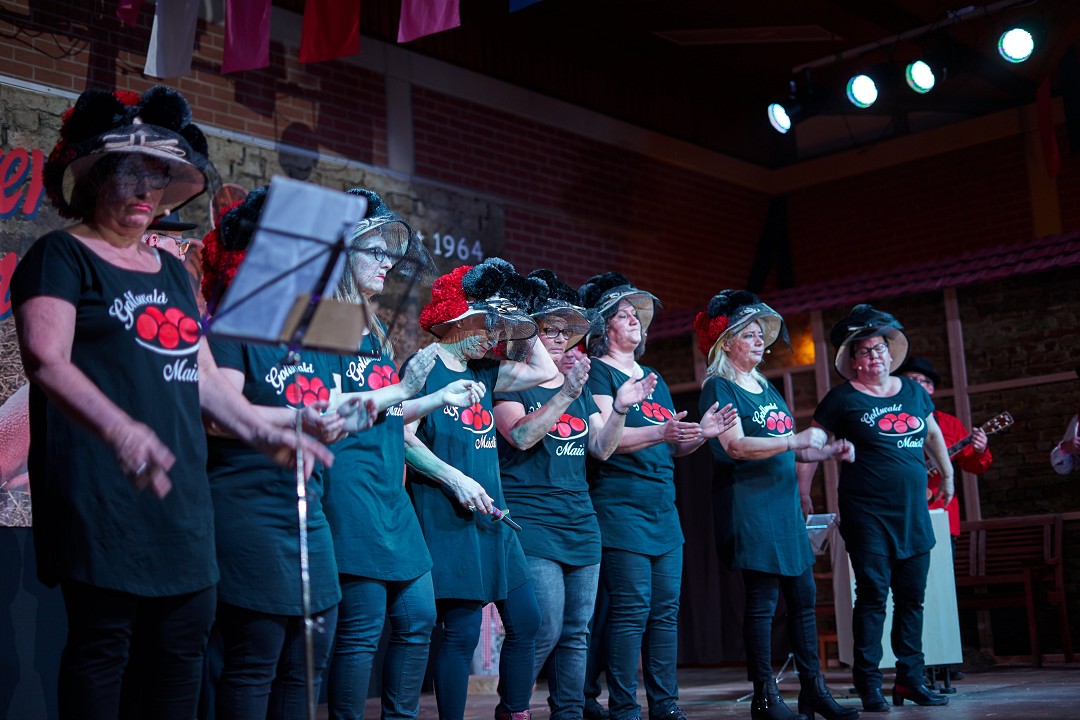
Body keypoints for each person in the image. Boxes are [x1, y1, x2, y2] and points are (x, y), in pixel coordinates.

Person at [11, 85, 331, 720]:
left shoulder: (173, 274)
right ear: (95, 177)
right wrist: (121, 429)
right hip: (102, 493)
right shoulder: (61, 256)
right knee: (103, 651)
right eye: (129, 173)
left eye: (157, 177)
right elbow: (47, 360)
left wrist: (266, 428)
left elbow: (204, 378)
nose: (144, 189)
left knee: (181, 652)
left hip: (182, 500)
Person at [199, 186, 374, 719]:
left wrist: (338, 422)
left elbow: (318, 414)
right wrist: (300, 420)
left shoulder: (310, 334)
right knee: (255, 660)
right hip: (247, 506)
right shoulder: (231, 325)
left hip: (305, 509)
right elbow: (217, 416)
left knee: (307, 661)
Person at [320, 188, 485, 720]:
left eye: (391, 254)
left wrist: (434, 397)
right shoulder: (325, 319)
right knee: (362, 627)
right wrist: (406, 387)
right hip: (349, 484)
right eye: (376, 251)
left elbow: (390, 409)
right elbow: (327, 407)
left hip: (390, 488)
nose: (387, 264)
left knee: (418, 617)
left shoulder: (371, 328)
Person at [493, 270, 657, 720]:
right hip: (533, 521)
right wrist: (565, 394)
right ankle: (513, 708)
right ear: (528, 333)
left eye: (566, 330)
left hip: (580, 523)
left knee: (577, 632)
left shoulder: (578, 387)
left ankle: (568, 711)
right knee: (544, 627)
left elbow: (601, 448)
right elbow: (522, 436)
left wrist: (620, 407)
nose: (560, 338)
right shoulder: (510, 384)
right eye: (549, 329)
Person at [694, 290, 859, 720]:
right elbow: (735, 446)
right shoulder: (719, 386)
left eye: (760, 336)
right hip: (751, 505)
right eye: (749, 335)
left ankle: (813, 690)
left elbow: (789, 445)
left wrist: (825, 451)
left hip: (783, 506)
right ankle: (764, 695)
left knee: (804, 598)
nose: (759, 342)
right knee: (763, 603)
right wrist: (793, 441)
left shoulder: (765, 385)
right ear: (727, 342)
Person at [578, 272, 732, 720]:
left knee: (665, 612)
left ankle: (665, 705)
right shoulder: (598, 372)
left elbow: (673, 445)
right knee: (631, 610)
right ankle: (624, 706)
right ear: (604, 326)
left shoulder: (654, 377)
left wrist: (700, 434)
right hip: (619, 506)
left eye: (637, 316)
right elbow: (606, 441)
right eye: (624, 315)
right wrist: (662, 432)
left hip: (662, 508)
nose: (635, 321)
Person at [410, 258, 559, 720]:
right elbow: (402, 435)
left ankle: (513, 711)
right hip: (447, 514)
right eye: (486, 324)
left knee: (527, 620)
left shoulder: (486, 370)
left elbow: (544, 368)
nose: (494, 336)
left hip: (492, 514)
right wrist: (454, 478)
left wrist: (516, 311)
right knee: (461, 632)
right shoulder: (425, 364)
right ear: (459, 318)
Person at [810, 304, 952, 712]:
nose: (875, 355)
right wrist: (804, 492)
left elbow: (932, 433)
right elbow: (814, 442)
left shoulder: (912, 392)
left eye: (880, 348)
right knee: (872, 596)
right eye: (865, 351)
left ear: (891, 354)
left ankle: (910, 679)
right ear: (853, 361)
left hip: (912, 514)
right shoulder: (841, 399)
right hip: (867, 514)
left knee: (912, 597)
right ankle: (869, 684)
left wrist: (948, 475)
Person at [896, 357, 993, 539]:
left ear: (931, 388)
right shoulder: (888, 422)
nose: (913, 386)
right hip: (898, 512)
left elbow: (974, 466)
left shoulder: (950, 424)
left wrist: (980, 450)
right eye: (907, 380)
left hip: (939, 510)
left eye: (919, 381)